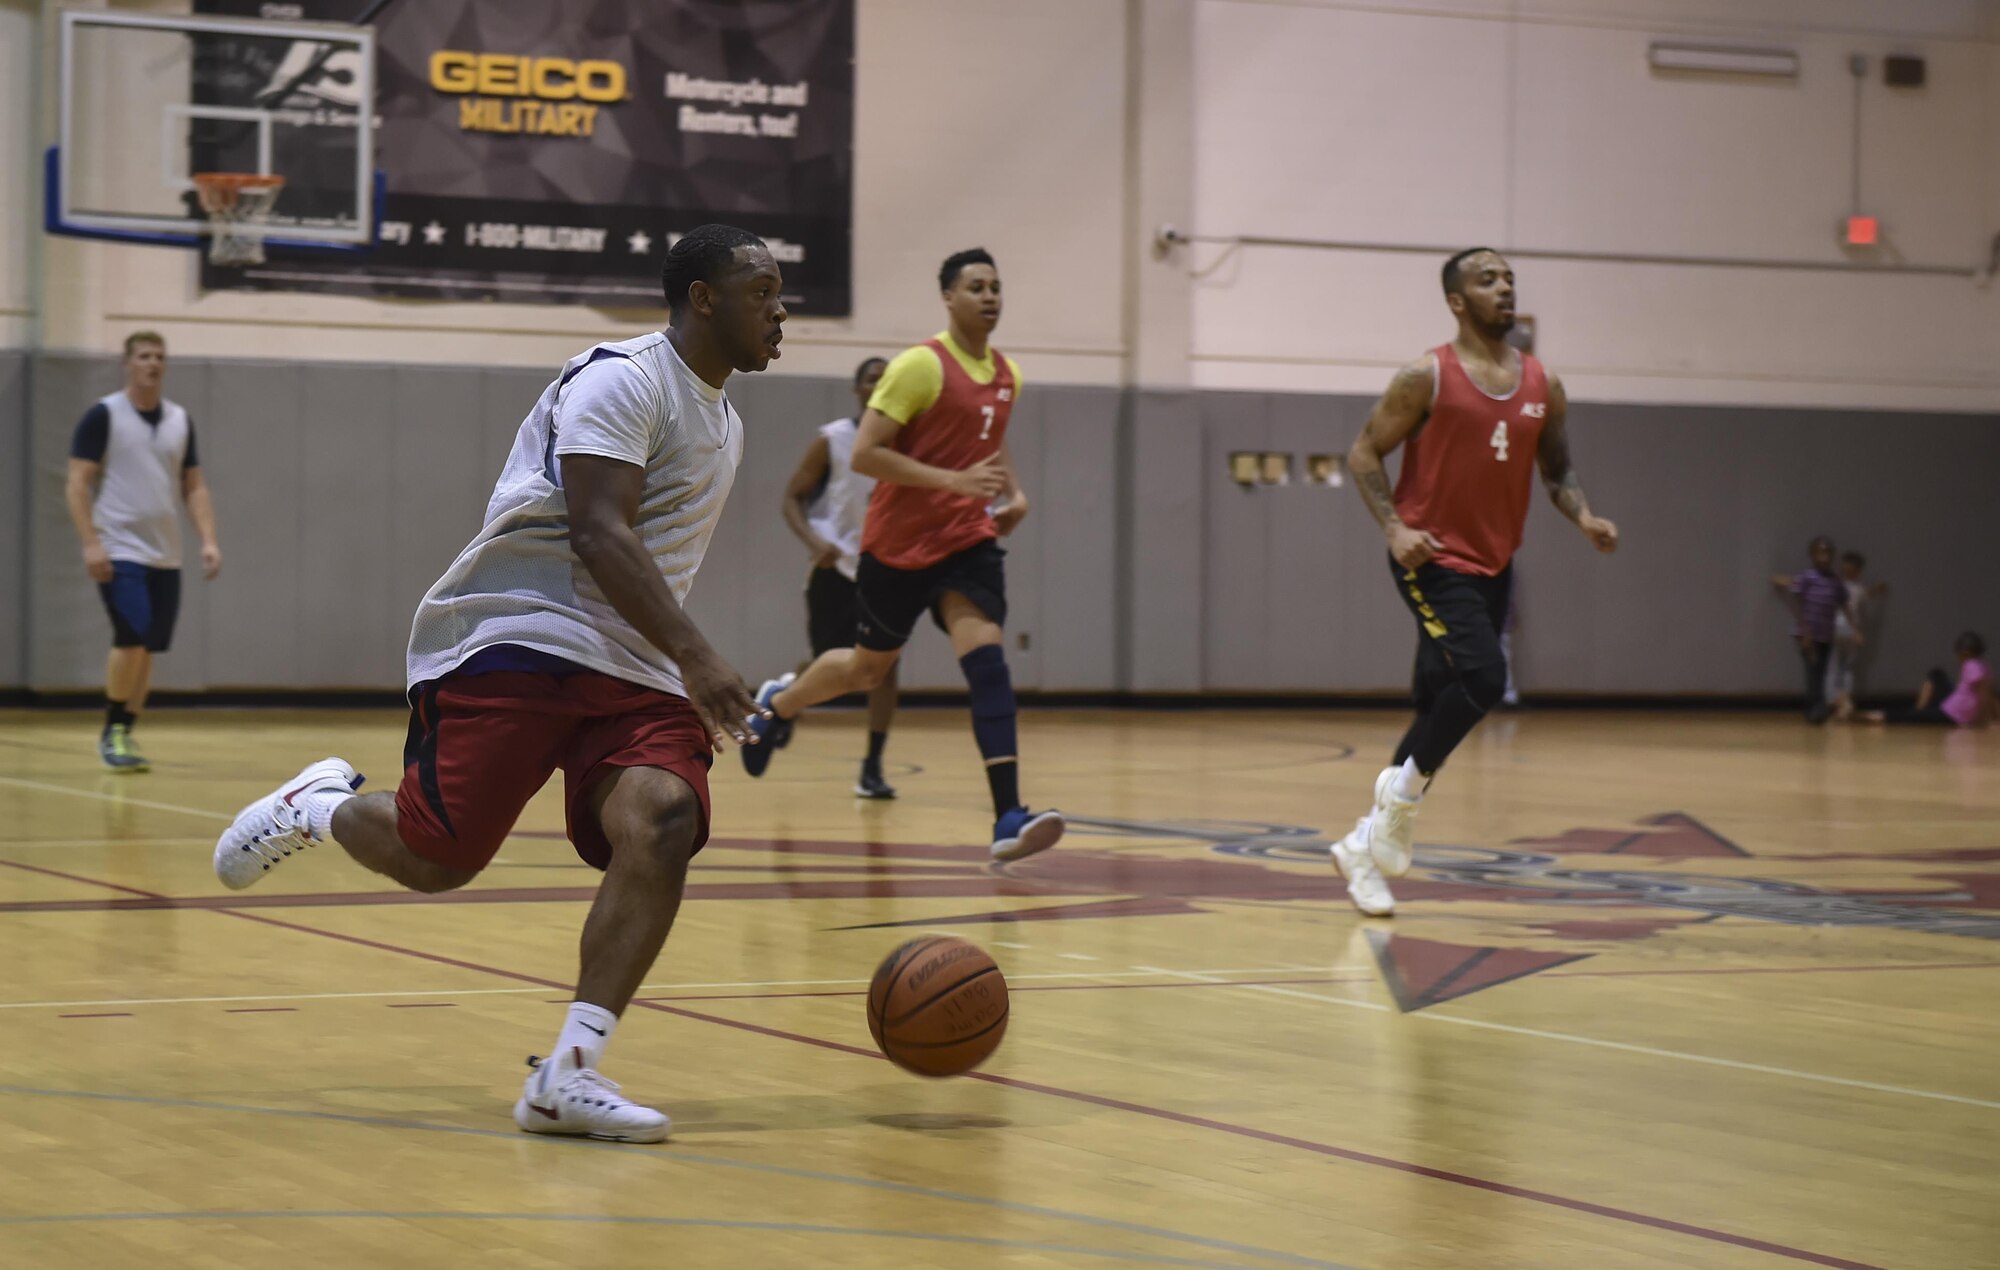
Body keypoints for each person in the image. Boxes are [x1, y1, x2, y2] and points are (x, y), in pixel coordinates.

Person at [209, 224, 784, 1143]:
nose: (779, 309)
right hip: (520, 631)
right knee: (439, 861)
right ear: (703, 297)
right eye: (762, 290)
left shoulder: (727, 418)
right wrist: (698, 655)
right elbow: (599, 532)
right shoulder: (622, 379)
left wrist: (672, 658)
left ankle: (570, 1074)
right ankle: (318, 806)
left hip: (629, 665)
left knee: (664, 817)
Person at [738, 248, 1065, 863]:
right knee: (866, 670)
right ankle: (777, 705)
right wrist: (950, 483)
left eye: (997, 286)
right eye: (976, 287)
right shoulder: (920, 366)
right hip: (898, 548)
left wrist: (1013, 494)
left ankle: (1008, 817)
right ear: (949, 297)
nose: (990, 296)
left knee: (987, 662)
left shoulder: (1007, 375)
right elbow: (865, 454)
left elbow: (991, 447)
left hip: (966, 543)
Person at [1339, 248, 1619, 917]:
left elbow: (1557, 470)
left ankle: (1362, 847)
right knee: (1485, 680)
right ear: (1458, 302)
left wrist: (1584, 516)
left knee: (1441, 700)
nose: (1503, 289)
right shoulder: (1425, 376)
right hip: (1430, 557)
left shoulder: (1543, 385)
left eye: (1508, 280)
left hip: (1495, 563)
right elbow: (1363, 452)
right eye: (1486, 280)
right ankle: (1398, 809)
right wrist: (1394, 529)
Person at [64, 332, 223, 771]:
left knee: (148, 646)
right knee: (131, 636)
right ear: (127, 363)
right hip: (119, 547)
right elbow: (77, 481)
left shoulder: (178, 420)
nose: (153, 363)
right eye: (144, 356)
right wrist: (91, 543)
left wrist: (208, 540)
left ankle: (126, 729)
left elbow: (194, 485)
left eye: (159, 357)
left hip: (164, 553)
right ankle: (112, 729)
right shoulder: (104, 415)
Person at [780, 355, 900, 798]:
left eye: (888, 381)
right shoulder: (833, 440)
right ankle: (786, 700)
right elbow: (791, 498)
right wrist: (814, 543)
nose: (880, 385)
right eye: (872, 378)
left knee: (884, 670)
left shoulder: (907, 443)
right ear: (857, 389)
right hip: (835, 568)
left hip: (886, 569)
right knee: (830, 666)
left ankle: (873, 766)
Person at [1771, 536, 1843, 723]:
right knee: (1812, 670)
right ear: (1812, 555)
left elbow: (1843, 601)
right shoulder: (1807, 577)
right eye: (1819, 553)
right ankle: (1814, 709)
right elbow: (1796, 601)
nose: (1824, 557)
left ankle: (1818, 706)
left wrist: (1855, 628)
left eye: (1827, 553)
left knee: (1822, 671)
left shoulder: (1834, 580)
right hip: (1808, 633)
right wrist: (1805, 631)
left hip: (1826, 634)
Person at [1861, 632, 1992, 727]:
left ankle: (1878, 715)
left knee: (1910, 717)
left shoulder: (1971, 665)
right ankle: (1916, 709)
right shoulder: (1982, 666)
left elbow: (1984, 695)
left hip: (1952, 714)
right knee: (1936, 675)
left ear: (1964, 653)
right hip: (1951, 710)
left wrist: (1980, 720)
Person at [1826, 550, 1887, 722]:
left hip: (1838, 629)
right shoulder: (1857, 588)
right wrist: (1876, 589)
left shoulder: (1837, 585)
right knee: (1846, 668)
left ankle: (1837, 701)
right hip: (1851, 630)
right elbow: (1866, 595)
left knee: (1835, 667)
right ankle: (1844, 701)